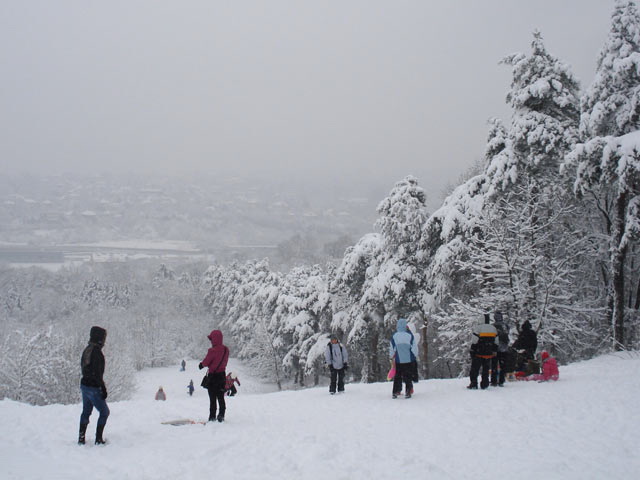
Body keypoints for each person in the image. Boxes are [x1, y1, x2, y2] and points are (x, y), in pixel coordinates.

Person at [78, 326, 110, 445]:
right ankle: (99, 439)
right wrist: (102, 388)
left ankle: (81, 438)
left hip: (84, 385)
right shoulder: (97, 353)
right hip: (93, 387)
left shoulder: (87, 350)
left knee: (86, 411)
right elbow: (98, 374)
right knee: (104, 412)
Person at [199, 329, 229, 422]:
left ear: (214, 339)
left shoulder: (212, 351)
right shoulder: (226, 350)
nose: (211, 341)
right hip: (222, 376)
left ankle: (212, 417)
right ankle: (221, 415)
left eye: (211, 339)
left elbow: (207, 362)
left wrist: (201, 365)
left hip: (213, 377)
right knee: (221, 397)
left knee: (212, 398)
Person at [390, 318, 419, 399]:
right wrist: (415, 356)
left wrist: (391, 357)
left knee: (398, 376)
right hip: (409, 360)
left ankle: (396, 391)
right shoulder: (409, 336)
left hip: (399, 360)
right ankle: (408, 391)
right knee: (408, 376)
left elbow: (392, 348)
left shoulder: (394, 336)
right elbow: (414, 348)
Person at [468, 314, 498, 390]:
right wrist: (494, 350)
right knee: (486, 369)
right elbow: (496, 342)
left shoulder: (478, 328)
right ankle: (485, 384)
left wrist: (473, 350)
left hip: (478, 353)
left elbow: (474, 341)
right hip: (488, 353)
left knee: (475, 369)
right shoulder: (493, 328)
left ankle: (474, 383)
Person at [491, 311, 510, 386]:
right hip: (504, 348)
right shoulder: (505, 326)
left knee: (494, 365)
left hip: (495, 348)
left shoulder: (493, 326)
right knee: (503, 365)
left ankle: (494, 381)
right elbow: (507, 334)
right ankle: (501, 380)